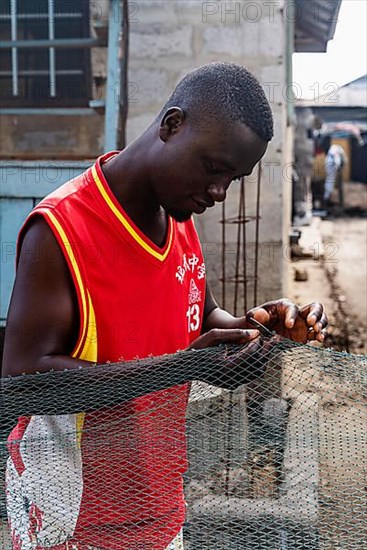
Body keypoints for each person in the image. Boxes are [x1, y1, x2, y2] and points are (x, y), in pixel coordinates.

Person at [2, 63, 328, 550]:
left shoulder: (177, 215)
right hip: (74, 519)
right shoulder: (60, 231)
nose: (218, 193)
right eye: (214, 169)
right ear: (172, 125)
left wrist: (257, 330)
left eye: (233, 179)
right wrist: (183, 368)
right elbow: (24, 385)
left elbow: (200, 317)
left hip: (157, 503)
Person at [324, 143, 346, 208]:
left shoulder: (336, 150)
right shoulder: (337, 151)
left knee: (330, 181)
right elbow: (337, 162)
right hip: (331, 163)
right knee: (330, 182)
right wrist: (338, 167)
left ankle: (327, 199)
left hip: (330, 162)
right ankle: (326, 200)